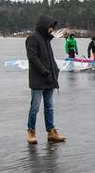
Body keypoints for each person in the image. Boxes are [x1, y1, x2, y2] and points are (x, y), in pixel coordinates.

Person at [25, 14, 66, 144]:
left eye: (53, 27)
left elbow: (50, 58)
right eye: (50, 27)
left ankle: (51, 132)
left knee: (49, 107)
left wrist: (55, 70)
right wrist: (44, 72)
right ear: (44, 26)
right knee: (35, 107)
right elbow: (32, 57)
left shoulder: (46, 39)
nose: (52, 30)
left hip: (50, 79)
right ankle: (31, 131)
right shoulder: (33, 38)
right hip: (39, 79)